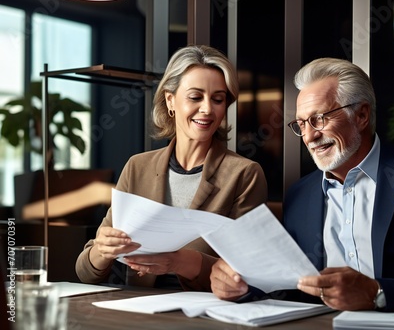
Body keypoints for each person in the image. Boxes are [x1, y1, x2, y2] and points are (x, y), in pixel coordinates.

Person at [210, 57, 394, 316]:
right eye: (302, 124)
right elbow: (292, 286)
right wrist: (241, 286)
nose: (309, 136)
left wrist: (376, 293)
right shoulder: (300, 195)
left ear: (361, 115)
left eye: (320, 119)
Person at [75, 45, 268, 291]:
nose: (208, 109)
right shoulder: (137, 167)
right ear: (170, 100)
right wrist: (102, 251)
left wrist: (181, 262)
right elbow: (85, 272)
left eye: (218, 99)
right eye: (195, 97)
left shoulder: (244, 174)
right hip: (141, 307)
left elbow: (249, 274)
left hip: (208, 312)